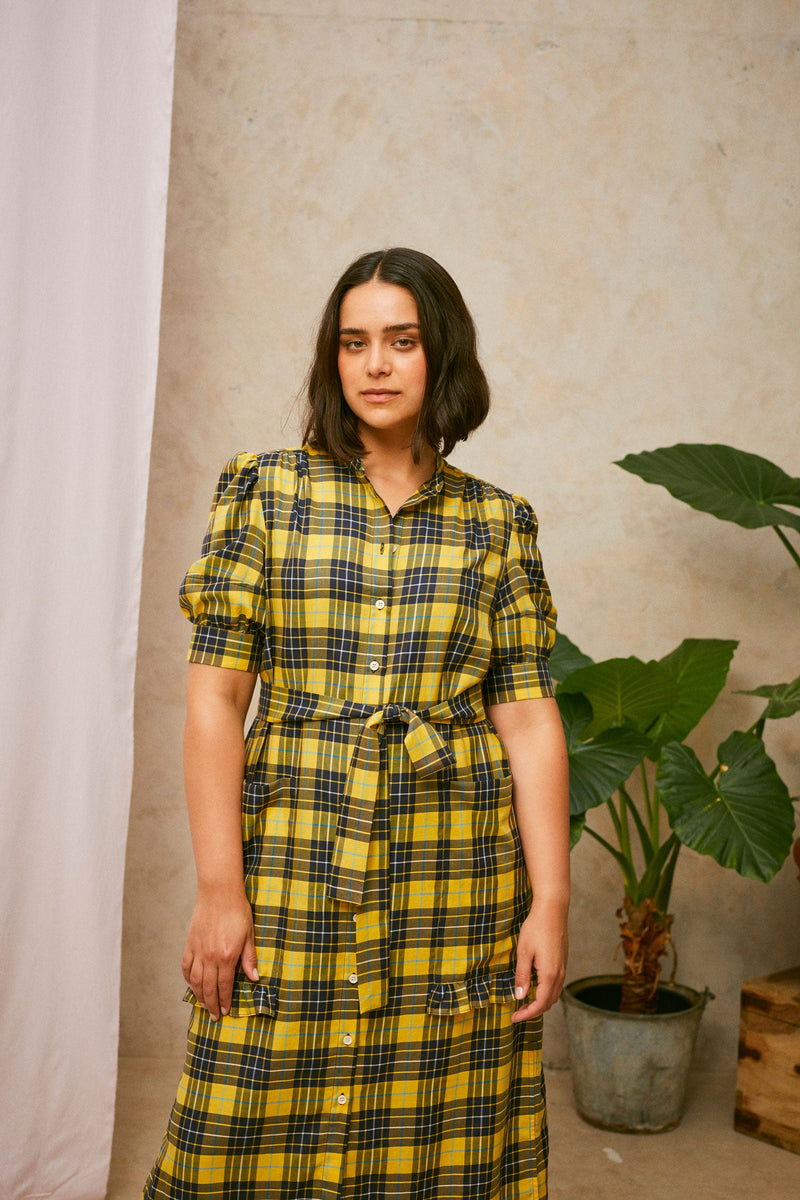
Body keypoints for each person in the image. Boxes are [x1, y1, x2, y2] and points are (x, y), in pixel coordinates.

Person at [143, 247, 569, 1199]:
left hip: (452, 864)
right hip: (296, 847)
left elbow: (530, 719)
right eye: (355, 343)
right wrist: (220, 887)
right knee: (244, 1102)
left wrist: (551, 899)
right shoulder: (265, 491)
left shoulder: (497, 524)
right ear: (333, 361)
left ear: (441, 353)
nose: (376, 364)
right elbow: (216, 699)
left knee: (439, 1121)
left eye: (402, 340)